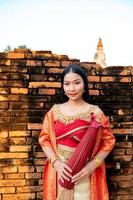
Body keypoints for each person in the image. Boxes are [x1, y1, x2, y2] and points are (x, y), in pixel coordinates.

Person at [39, 64, 115, 200]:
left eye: (77, 83)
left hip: (85, 173)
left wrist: (92, 166)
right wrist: (57, 163)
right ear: (63, 86)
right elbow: (44, 139)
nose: (72, 88)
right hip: (60, 172)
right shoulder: (54, 112)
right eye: (67, 84)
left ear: (84, 85)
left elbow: (108, 141)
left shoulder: (95, 113)